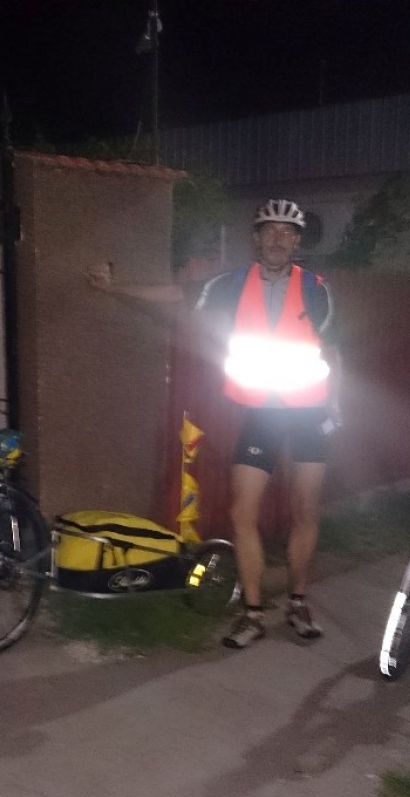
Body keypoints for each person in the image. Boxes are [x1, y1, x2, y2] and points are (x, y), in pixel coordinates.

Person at [87, 198, 341, 649]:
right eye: (269, 230)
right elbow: (176, 293)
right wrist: (115, 288)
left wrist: (336, 406)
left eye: (287, 232)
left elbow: (333, 350)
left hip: (308, 412)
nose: (278, 238)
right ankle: (253, 612)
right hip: (262, 414)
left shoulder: (316, 288)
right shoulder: (231, 284)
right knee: (242, 514)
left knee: (305, 510)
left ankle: (299, 601)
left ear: (297, 241)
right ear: (256, 238)